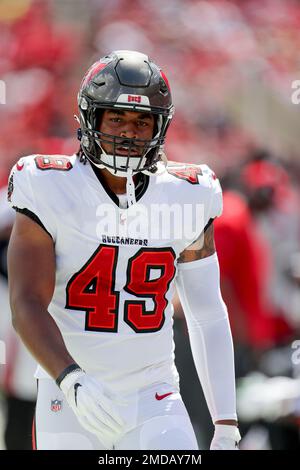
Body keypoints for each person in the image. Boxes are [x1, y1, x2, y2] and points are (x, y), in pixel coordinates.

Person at [7, 50, 240, 450]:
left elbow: (206, 313)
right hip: (71, 395)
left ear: (159, 127)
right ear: (89, 118)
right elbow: (26, 300)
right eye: (116, 118)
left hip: (153, 396)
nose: (129, 132)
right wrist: (70, 377)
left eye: (141, 120)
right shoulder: (47, 185)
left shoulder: (187, 194)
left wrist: (225, 422)